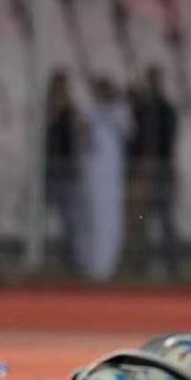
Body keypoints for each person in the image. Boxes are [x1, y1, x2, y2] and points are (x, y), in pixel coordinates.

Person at [77, 77, 134, 281]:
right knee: (91, 221)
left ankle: (106, 268)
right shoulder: (91, 111)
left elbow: (128, 130)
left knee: (110, 222)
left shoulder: (119, 111)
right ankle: (91, 267)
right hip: (92, 177)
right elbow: (82, 134)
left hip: (112, 179)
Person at [127, 67, 180, 280]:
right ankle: (142, 263)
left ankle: (170, 264)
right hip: (146, 170)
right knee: (142, 219)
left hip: (159, 170)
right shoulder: (143, 109)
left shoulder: (163, 109)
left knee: (163, 218)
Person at [44, 71, 83, 269]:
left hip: (66, 173)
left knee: (70, 221)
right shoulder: (46, 110)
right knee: (40, 218)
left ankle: (71, 262)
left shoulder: (71, 111)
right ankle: (40, 259)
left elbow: (77, 139)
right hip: (49, 173)